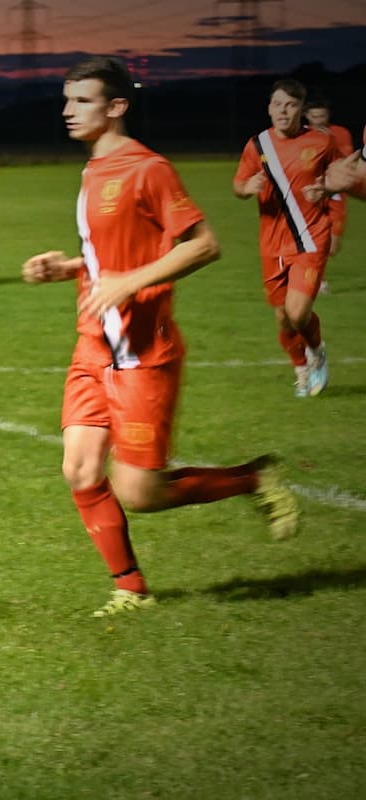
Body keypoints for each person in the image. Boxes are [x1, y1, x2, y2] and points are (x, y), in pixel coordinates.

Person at [21, 56, 300, 617]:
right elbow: (113, 255)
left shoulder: (148, 169)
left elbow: (203, 244)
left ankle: (252, 478)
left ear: (116, 107)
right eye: (67, 100)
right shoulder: (92, 171)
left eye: (82, 101)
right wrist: (70, 267)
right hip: (92, 344)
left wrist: (129, 283)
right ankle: (130, 589)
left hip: (142, 354)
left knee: (140, 494)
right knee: (78, 469)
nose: (67, 111)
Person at [233, 79, 339, 398]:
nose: (283, 110)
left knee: (297, 312)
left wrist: (328, 189)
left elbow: (338, 177)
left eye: (290, 105)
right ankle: (301, 369)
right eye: (277, 104)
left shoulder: (321, 142)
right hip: (272, 244)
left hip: (310, 238)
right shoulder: (257, 145)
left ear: (300, 110)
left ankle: (317, 350)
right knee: (283, 318)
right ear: (269, 108)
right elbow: (237, 185)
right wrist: (246, 188)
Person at [303, 96, 354, 290]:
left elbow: (346, 161)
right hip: (310, 193)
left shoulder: (340, 133)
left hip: (335, 193)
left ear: (328, 115)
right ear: (306, 116)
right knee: (313, 238)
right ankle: (317, 280)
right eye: (314, 116)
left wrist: (329, 141)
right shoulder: (300, 135)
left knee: (332, 247)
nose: (318, 120)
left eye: (322, 116)